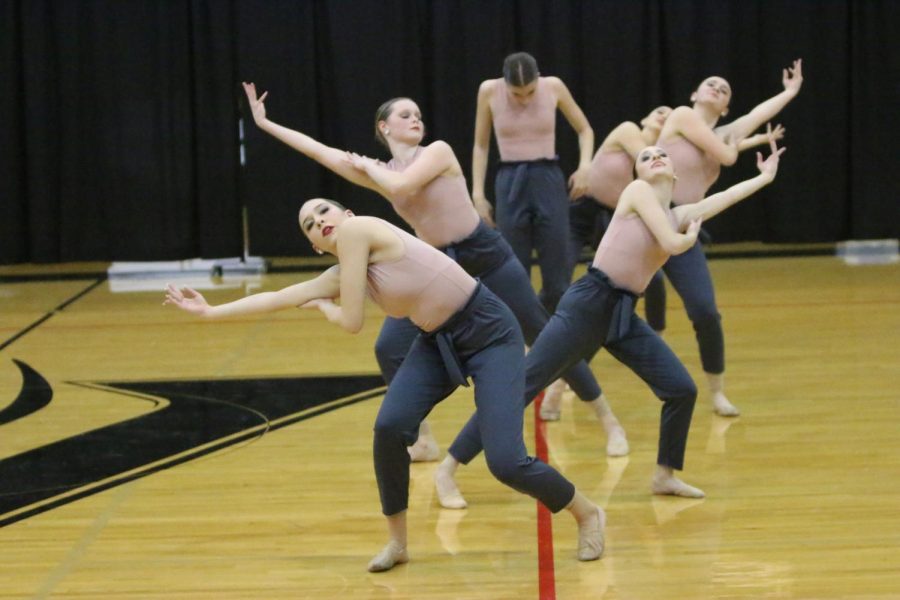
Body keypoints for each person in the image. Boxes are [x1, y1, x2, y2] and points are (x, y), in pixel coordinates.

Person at [163, 199, 606, 570]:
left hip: (490, 331)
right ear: (316, 247)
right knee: (390, 427)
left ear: (347, 214)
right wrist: (210, 312)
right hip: (438, 340)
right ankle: (398, 543)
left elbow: (352, 322)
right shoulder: (342, 272)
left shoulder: (360, 231)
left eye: (323, 212)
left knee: (506, 461)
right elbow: (278, 296)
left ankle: (586, 513)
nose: (320, 221)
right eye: (311, 226)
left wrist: (326, 310)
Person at [240, 84, 629, 476]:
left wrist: (368, 167)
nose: (415, 119)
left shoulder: (436, 152)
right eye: (404, 115)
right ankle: (422, 438)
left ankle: (607, 417)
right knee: (389, 346)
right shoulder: (382, 171)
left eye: (418, 114)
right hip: (433, 267)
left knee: (542, 332)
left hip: (484, 253)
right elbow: (318, 151)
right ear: (384, 127)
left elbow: (401, 187)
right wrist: (266, 123)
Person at [434, 135, 787, 507]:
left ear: (676, 174)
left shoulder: (677, 214)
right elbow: (671, 243)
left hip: (621, 314)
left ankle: (665, 475)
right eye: (646, 155)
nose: (655, 157)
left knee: (681, 388)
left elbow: (719, 201)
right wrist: (687, 240)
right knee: (521, 385)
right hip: (588, 304)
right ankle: (448, 468)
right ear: (636, 171)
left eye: (662, 155)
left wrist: (763, 178)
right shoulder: (636, 192)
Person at [656, 59, 803, 417]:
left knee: (706, 312)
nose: (717, 89)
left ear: (725, 108)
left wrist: (789, 92)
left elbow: (755, 114)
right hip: (650, 219)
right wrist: (735, 143)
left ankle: (717, 391)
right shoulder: (681, 116)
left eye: (724, 90)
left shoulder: (724, 131)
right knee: (608, 306)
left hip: (685, 224)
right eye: (711, 83)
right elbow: (726, 153)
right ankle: (560, 385)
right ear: (694, 94)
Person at [471, 51, 594, 313]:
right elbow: (481, 146)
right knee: (514, 266)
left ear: (538, 78)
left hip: (547, 176)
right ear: (505, 83)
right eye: (517, 94)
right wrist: (478, 195)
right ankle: (522, 338)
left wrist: (585, 167)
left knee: (557, 267)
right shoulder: (489, 91)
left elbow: (585, 130)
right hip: (509, 179)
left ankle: (552, 332)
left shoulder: (554, 86)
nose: (524, 99)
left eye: (530, 91)